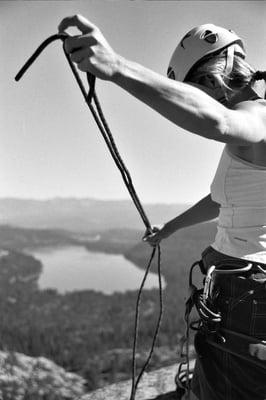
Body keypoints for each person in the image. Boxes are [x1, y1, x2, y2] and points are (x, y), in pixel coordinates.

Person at [58, 15, 266, 400]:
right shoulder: (251, 131)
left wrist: (117, 68)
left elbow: (218, 121)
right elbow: (222, 200)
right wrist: (170, 227)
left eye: (193, 90)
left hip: (245, 291)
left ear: (211, 79)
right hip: (239, 287)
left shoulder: (257, 116)